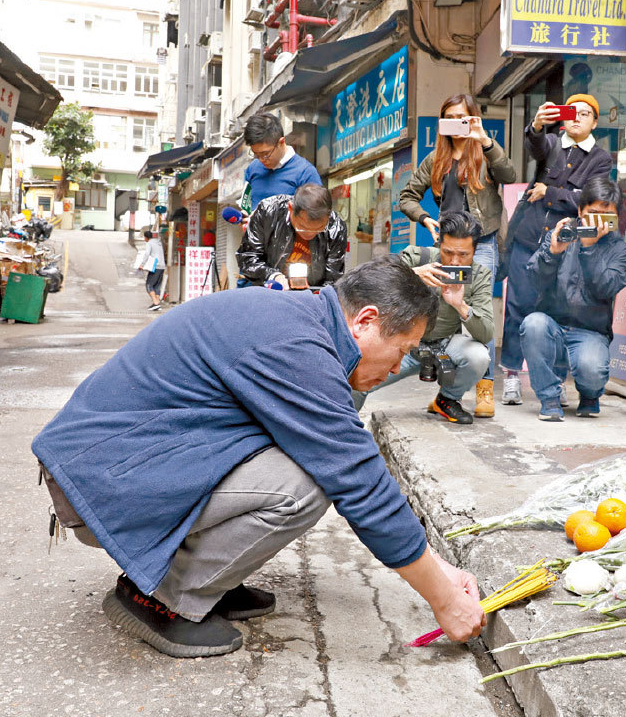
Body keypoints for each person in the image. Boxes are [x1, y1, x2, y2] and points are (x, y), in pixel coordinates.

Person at [32, 258, 486, 658]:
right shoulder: (298, 348)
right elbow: (360, 481)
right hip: (98, 486)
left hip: (115, 467)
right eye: (401, 351)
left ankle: (206, 581)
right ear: (365, 321)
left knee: (304, 455)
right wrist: (444, 599)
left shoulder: (300, 320)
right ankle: (161, 599)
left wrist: (443, 570)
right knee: (307, 484)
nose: (397, 369)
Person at [398, 94, 517, 419]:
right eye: (448, 117)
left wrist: (485, 140)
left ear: (472, 118)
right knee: (445, 304)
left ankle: (485, 387)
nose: (455, 123)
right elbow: (407, 196)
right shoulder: (435, 158)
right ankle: (444, 377)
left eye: (461, 117)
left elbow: (509, 176)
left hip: (483, 244)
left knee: (478, 311)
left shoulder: (485, 153)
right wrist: (425, 218)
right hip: (448, 246)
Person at [500, 95, 614, 407]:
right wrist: (537, 126)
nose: (577, 118)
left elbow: (589, 200)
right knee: (517, 307)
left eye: (585, 114)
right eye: (572, 112)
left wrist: (549, 192)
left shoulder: (601, 159)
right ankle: (511, 375)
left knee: (559, 311)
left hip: (565, 246)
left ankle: (556, 380)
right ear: (563, 117)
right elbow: (535, 146)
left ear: (595, 122)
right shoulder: (551, 143)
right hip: (527, 238)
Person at [353, 211, 494, 424]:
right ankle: (342, 424)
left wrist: (460, 305)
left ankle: (447, 400)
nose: (455, 261)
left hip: (445, 346)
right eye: (447, 252)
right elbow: (372, 279)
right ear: (439, 244)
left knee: (478, 356)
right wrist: (413, 274)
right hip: (403, 345)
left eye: (463, 255)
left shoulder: (479, 275)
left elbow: (486, 334)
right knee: (358, 379)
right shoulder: (418, 257)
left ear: (474, 251)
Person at [520, 176, 626, 421]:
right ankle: (549, 398)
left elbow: (606, 289)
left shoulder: (621, 250)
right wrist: (552, 253)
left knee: (592, 370)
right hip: (552, 326)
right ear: (580, 211)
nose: (598, 221)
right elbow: (534, 281)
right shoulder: (562, 234)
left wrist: (589, 248)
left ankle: (590, 395)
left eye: (606, 215)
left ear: (616, 216)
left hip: (591, 331)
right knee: (532, 324)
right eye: (592, 213)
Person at [237, 184, 347, 288]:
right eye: (303, 227)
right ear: (291, 208)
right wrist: (273, 276)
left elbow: (333, 277)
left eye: (320, 228)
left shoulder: (335, 227)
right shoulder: (268, 211)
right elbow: (248, 257)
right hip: (268, 290)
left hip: (311, 295)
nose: (310, 234)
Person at [241, 112, 321, 211]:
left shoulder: (305, 173)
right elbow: (247, 206)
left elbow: (316, 215)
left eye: (265, 154)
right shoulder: (253, 168)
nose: (261, 160)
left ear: (281, 142)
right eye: (256, 154)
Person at [134, 229, 166, 311]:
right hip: (162, 266)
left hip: (155, 267)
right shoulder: (159, 243)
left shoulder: (149, 243)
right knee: (157, 286)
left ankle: (156, 303)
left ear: (146, 237)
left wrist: (142, 265)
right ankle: (157, 304)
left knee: (149, 285)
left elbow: (147, 254)